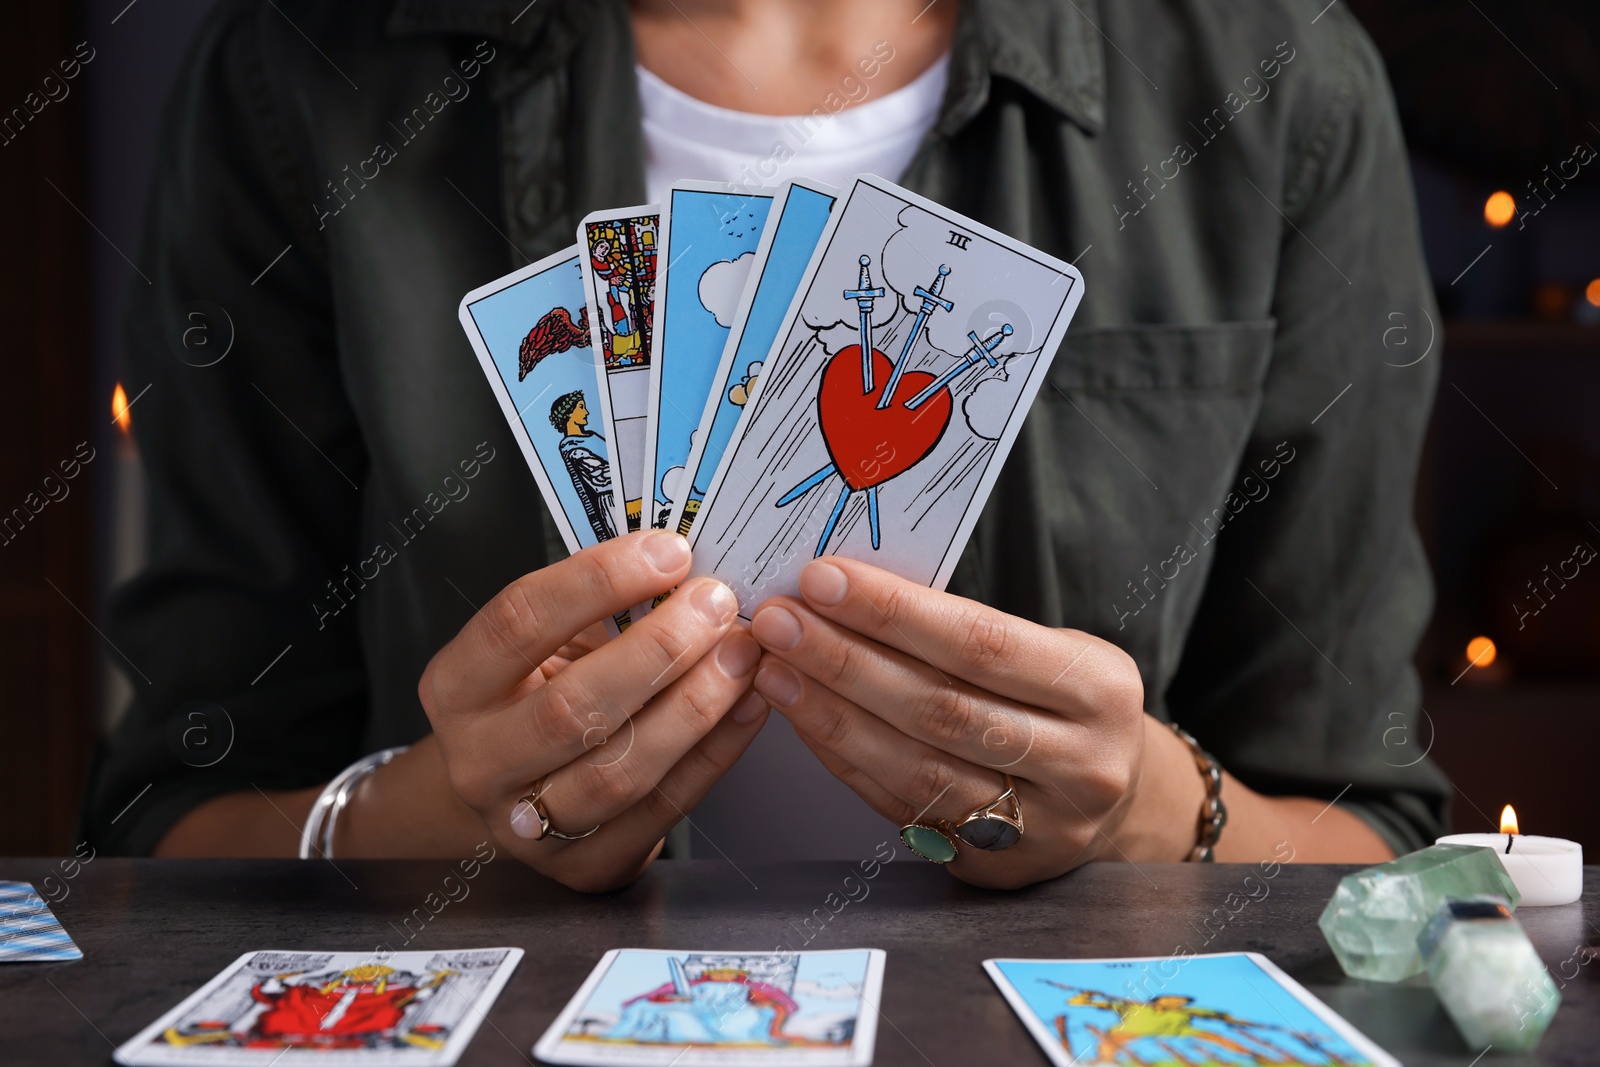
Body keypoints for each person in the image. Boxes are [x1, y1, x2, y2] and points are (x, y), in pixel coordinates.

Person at [82, 0, 1447, 892]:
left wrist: (1161, 809)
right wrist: (436, 821)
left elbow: (1371, 842)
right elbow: (171, 823)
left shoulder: (1275, 81)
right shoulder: (302, 68)